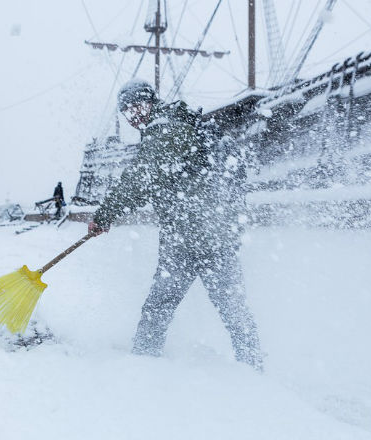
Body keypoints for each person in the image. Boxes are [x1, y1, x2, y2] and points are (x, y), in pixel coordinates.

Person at [89, 79, 263, 370]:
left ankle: (144, 365)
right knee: (205, 308)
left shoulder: (165, 129)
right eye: (127, 110)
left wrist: (105, 214)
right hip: (197, 237)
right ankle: (251, 366)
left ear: (151, 101)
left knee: (206, 307)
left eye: (137, 105)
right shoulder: (174, 125)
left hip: (200, 239)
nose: (133, 114)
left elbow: (140, 179)